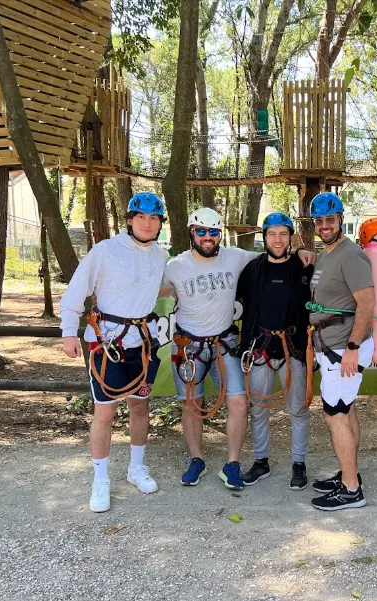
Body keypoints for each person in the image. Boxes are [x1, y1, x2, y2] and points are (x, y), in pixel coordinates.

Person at [161, 207, 314, 492]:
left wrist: (303, 250)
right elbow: (149, 291)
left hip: (244, 344)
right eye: (202, 232)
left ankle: (252, 464)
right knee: (194, 405)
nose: (208, 237)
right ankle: (205, 459)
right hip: (195, 345)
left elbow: (284, 259)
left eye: (214, 232)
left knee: (251, 404)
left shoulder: (243, 259)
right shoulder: (176, 267)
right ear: (192, 233)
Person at [61, 192, 168, 513]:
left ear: (160, 223)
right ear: (130, 220)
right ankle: (100, 479)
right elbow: (77, 290)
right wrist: (69, 331)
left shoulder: (161, 257)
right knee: (105, 413)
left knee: (139, 407)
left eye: (154, 219)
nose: (147, 224)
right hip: (106, 344)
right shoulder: (105, 250)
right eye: (141, 217)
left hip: (142, 345)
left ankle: (136, 468)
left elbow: (168, 284)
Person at [307, 192, 375, 511]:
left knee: (334, 414)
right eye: (319, 221)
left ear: (340, 219)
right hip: (330, 344)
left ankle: (350, 491)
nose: (324, 225)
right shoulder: (328, 254)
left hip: (344, 348)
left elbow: (367, 303)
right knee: (345, 410)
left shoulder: (351, 255)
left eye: (329, 219)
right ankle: (350, 476)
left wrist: (352, 347)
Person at [237, 212, 314, 490]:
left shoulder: (304, 267)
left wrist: (304, 251)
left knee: (298, 409)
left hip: (293, 349)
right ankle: (261, 461)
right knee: (258, 409)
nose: (278, 240)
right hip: (261, 349)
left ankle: (298, 463)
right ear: (264, 237)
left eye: (283, 234)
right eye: (272, 234)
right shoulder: (252, 269)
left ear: (291, 237)